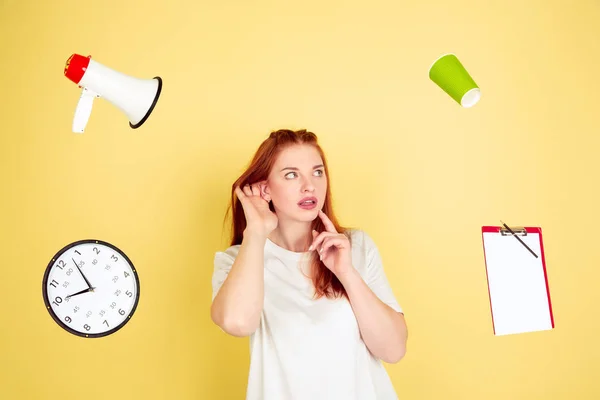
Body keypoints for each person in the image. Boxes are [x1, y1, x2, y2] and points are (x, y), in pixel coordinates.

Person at [210, 128, 408, 400]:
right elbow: (237, 323)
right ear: (265, 188)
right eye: (291, 174)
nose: (310, 186)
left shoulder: (356, 247)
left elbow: (394, 350)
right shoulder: (239, 259)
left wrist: (346, 273)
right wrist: (256, 232)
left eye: (317, 172)